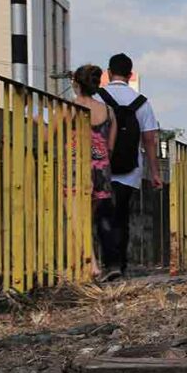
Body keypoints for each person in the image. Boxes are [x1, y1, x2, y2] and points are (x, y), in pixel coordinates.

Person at [97, 53, 162, 278]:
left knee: (103, 215)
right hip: (130, 170)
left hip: (100, 167)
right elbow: (150, 140)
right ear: (130, 75)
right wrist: (154, 173)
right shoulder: (142, 103)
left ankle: (109, 263)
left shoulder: (98, 97)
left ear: (108, 72)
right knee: (122, 215)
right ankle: (121, 265)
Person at [72, 65, 116, 279]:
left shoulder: (70, 107)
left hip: (76, 169)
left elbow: (46, 135)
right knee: (87, 219)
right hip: (101, 170)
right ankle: (89, 263)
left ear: (76, 84)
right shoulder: (108, 111)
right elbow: (110, 146)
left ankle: (92, 265)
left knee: (75, 218)